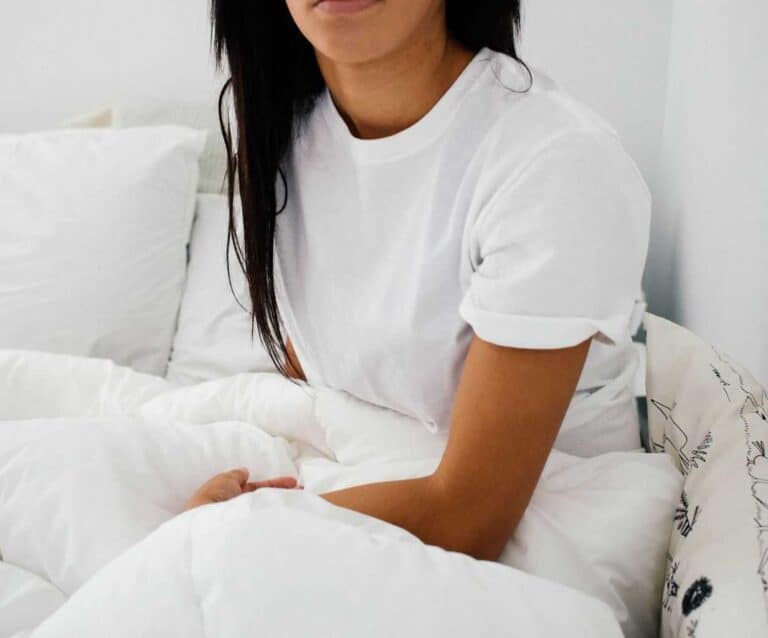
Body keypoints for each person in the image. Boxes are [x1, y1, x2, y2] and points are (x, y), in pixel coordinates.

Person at [185, 0, 650, 562]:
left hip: (538, 536)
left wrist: (241, 524)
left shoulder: (554, 159)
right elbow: (316, 361)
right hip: (364, 479)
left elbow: (470, 518)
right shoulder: (277, 129)